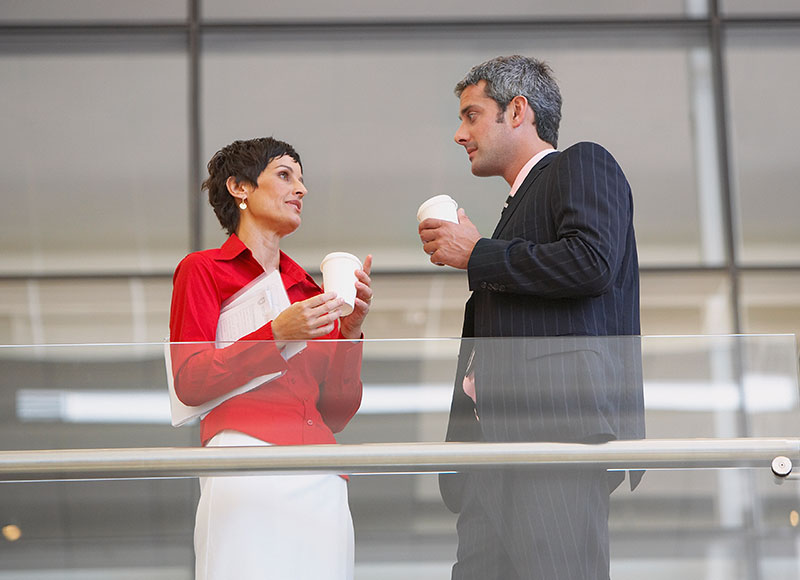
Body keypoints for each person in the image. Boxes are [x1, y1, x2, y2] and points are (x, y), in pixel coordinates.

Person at [418, 55, 644, 580]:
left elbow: (591, 262)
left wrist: (478, 254)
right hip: (490, 457)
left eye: (471, 115)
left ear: (517, 110)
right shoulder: (513, 211)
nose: (459, 133)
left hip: (555, 436)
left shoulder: (582, 162)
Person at [169, 137, 372, 580]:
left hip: (322, 474)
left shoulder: (310, 292)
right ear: (240, 187)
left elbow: (335, 414)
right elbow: (188, 380)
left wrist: (351, 332)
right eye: (285, 175)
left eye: (301, 180)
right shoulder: (203, 270)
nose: (300, 189)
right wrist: (275, 334)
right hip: (244, 459)